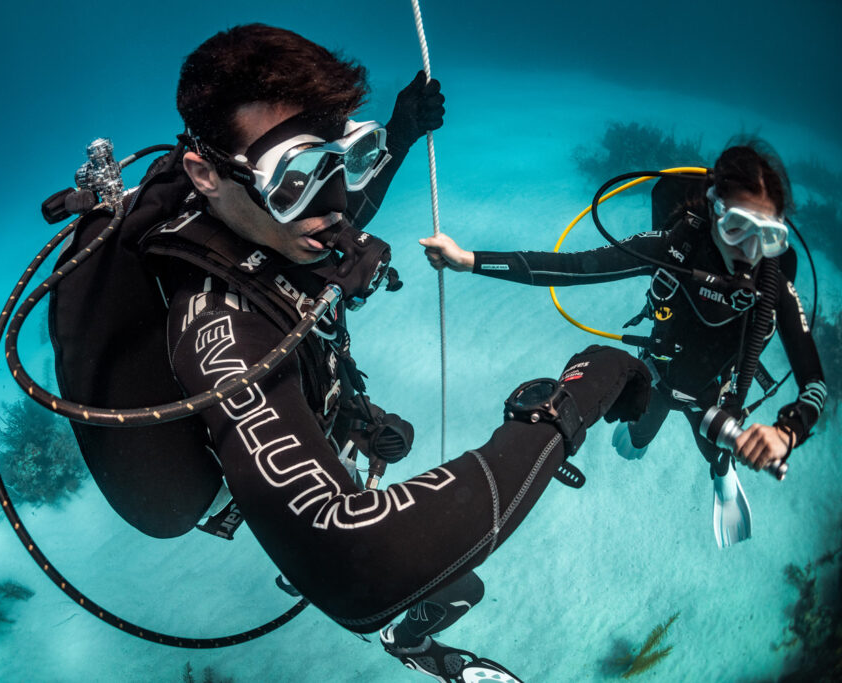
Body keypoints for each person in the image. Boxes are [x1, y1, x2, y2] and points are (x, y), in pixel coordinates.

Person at [53, 24, 651, 682]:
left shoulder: (273, 223)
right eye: (297, 177)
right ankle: (377, 615)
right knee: (341, 561)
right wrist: (572, 400)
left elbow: (344, 202)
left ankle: (382, 610)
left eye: (344, 158)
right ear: (204, 174)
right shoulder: (217, 332)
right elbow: (357, 555)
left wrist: (396, 133)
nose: (334, 205)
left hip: (309, 395)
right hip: (243, 443)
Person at [420, 140, 826, 547]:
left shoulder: (773, 285)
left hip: (713, 399)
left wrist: (785, 434)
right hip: (657, 374)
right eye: (737, 228)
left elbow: (814, 384)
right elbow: (570, 268)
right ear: (713, 207)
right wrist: (468, 260)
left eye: (768, 236)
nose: (750, 252)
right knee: (633, 442)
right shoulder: (672, 247)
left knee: (720, 456)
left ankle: (722, 475)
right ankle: (665, 441)